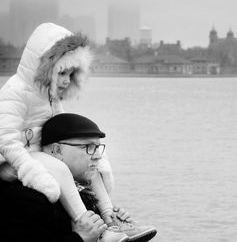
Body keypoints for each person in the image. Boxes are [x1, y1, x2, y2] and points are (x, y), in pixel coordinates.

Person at [0, 23, 155, 241]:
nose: (66, 80)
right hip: (15, 162)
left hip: (41, 154)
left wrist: (92, 152)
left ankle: (111, 220)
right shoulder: (14, 92)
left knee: (96, 162)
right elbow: (5, 141)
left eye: (71, 74)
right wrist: (32, 171)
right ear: (44, 67)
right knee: (61, 169)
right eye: (61, 73)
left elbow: (62, 124)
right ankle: (93, 229)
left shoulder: (49, 95)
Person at [0, 113, 157, 242]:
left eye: (98, 147)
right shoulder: (25, 198)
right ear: (56, 150)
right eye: (88, 147)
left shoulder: (83, 194)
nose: (97, 156)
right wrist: (79, 237)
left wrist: (119, 230)